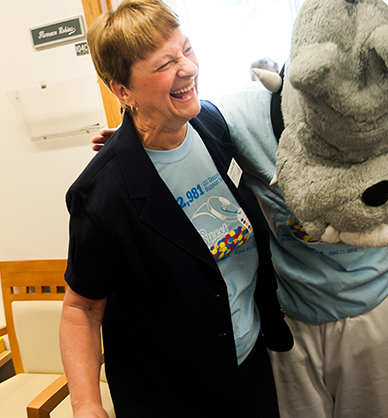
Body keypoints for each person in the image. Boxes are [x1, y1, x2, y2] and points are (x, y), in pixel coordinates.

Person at [93, 75, 388, 418]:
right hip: (290, 317)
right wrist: (146, 138)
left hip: (371, 310)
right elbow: (188, 125)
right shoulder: (243, 115)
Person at [60, 0, 292, 418]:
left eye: (185, 49)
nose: (187, 68)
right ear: (122, 89)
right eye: (164, 65)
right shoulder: (104, 195)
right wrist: (86, 403)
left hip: (251, 370)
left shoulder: (211, 127)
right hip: (170, 397)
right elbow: (81, 308)